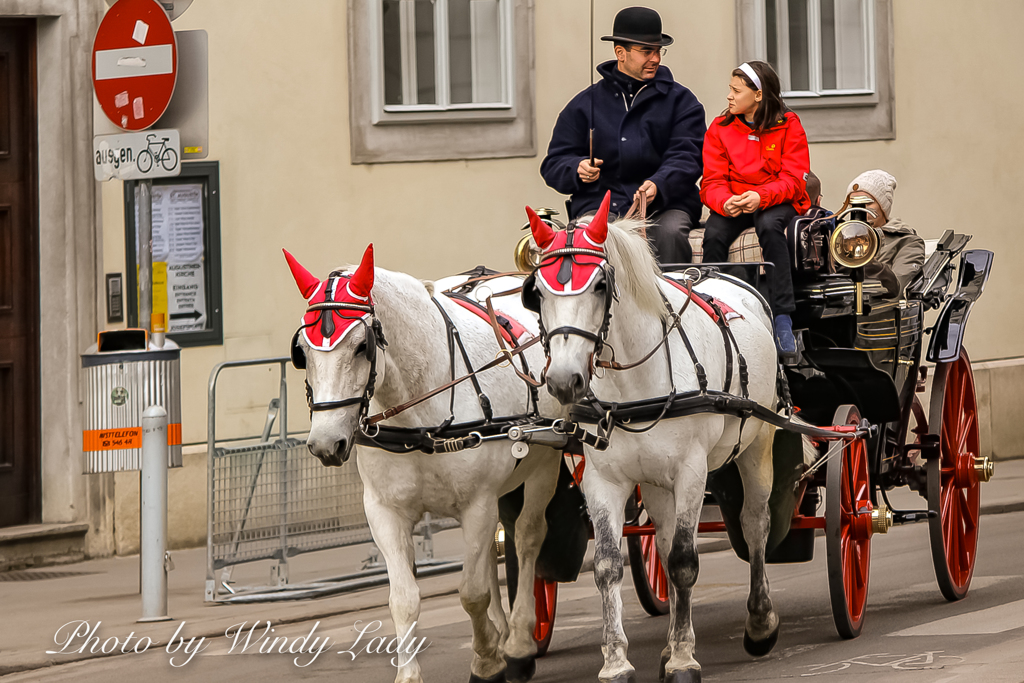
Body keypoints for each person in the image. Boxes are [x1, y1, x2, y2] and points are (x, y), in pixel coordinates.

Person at [540, 6, 706, 264]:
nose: (656, 59)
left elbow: (688, 155)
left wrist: (659, 184)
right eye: (646, 51)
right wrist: (577, 168)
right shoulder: (584, 104)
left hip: (667, 205)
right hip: (601, 205)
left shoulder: (683, 102)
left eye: (658, 51)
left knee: (670, 234)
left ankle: (672, 303)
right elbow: (553, 164)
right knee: (594, 240)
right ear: (621, 52)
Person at [699, 60, 810, 355]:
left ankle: (782, 316)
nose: (729, 96)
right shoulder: (720, 128)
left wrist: (760, 197)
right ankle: (713, 307)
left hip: (776, 200)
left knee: (770, 227)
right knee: (714, 234)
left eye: (736, 90)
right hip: (735, 199)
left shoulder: (789, 124)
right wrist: (724, 201)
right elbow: (711, 180)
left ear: (758, 95)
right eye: (730, 90)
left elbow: (794, 179)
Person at [845, 169, 926, 299]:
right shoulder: (840, 240)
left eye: (868, 203)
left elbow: (898, 290)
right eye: (853, 204)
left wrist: (863, 261)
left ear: (883, 206)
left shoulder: (908, 242)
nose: (860, 209)